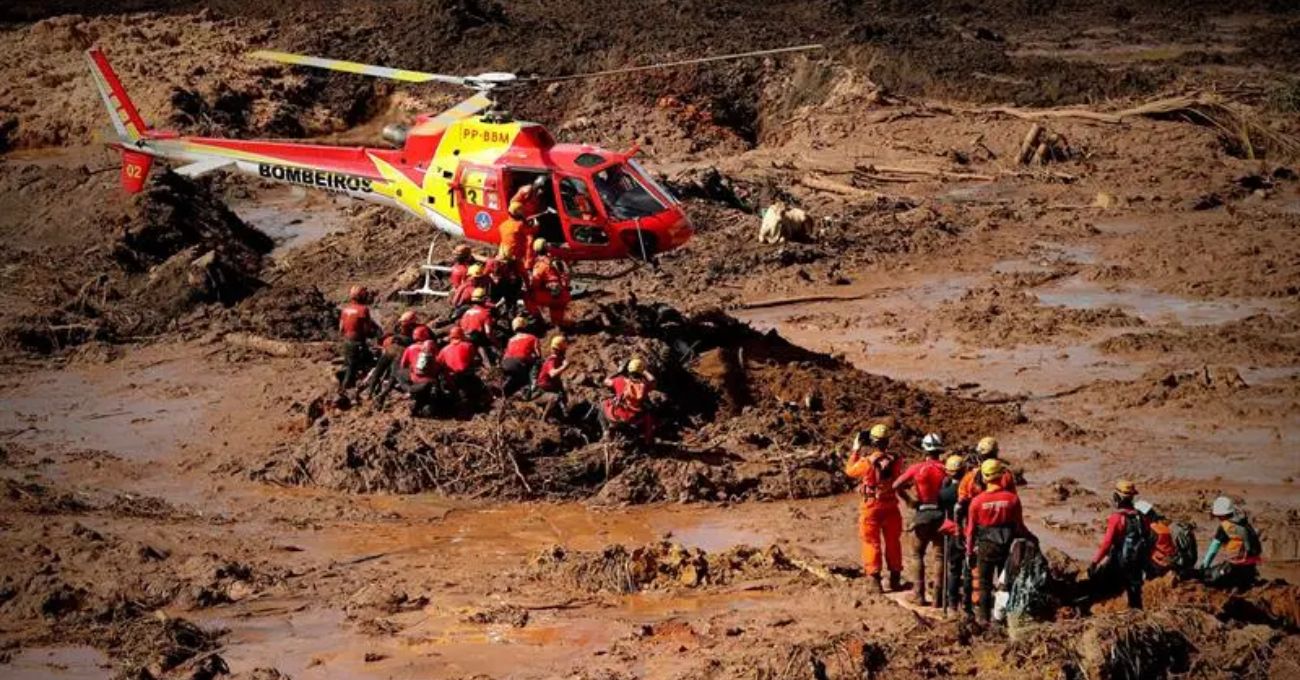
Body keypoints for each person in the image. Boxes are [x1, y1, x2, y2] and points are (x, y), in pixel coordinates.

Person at [966, 458, 1035, 623]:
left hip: (986, 546)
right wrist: (1032, 538)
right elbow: (1020, 527)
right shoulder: (1012, 499)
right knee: (1006, 583)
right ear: (1001, 475)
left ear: (984, 477)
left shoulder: (977, 502)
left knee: (984, 584)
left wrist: (969, 552)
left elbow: (970, 531)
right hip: (1007, 546)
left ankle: (983, 619)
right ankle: (1003, 620)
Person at [845, 423, 905, 594]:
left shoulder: (866, 462)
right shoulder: (897, 459)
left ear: (872, 442)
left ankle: (875, 581)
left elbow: (849, 471)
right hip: (891, 505)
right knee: (893, 542)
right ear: (888, 441)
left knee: (871, 542)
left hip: (871, 506)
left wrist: (856, 449)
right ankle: (895, 579)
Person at [893, 432, 948, 606]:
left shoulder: (917, 468)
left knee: (917, 555)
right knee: (939, 557)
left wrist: (909, 500)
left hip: (922, 513)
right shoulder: (946, 469)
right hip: (941, 514)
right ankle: (938, 598)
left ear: (924, 450)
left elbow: (896, 485)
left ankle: (919, 595)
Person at [1088, 480, 1151, 610]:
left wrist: (1094, 562)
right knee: (1135, 595)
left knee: (1100, 584)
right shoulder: (1141, 517)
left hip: (1120, 563)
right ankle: (1137, 614)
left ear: (1116, 497)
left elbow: (1106, 544)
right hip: (1137, 564)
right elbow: (1148, 537)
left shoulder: (1116, 518)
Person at [1199, 496, 1262, 590]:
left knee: (1208, 577)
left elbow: (1213, 549)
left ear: (1221, 515)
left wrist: (1204, 566)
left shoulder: (1226, 526)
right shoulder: (1244, 523)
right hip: (1251, 568)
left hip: (1235, 566)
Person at [366, 310, 419, 405]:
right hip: (401, 352)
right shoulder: (413, 329)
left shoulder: (398, 326)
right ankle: (383, 394)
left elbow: (390, 334)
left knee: (378, 370)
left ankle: (370, 392)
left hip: (390, 349)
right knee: (393, 376)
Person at [601, 356, 657, 444]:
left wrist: (618, 371)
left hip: (615, 416)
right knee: (649, 415)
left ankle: (606, 431)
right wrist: (644, 371)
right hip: (632, 420)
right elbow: (653, 381)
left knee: (603, 404)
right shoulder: (644, 386)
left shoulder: (619, 380)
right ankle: (647, 439)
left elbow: (606, 381)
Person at [939, 454, 967, 614]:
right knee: (970, 569)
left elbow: (941, 507)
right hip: (969, 532)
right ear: (963, 471)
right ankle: (970, 603)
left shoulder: (945, 493)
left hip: (953, 532)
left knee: (954, 569)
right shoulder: (971, 491)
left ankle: (952, 604)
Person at [337, 285, 377, 393]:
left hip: (347, 342)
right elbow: (367, 330)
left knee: (349, 363)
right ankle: (344, 390)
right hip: (357, 343)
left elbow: (341, 328)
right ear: (362, 296)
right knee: (354, 367)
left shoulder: (345, 309)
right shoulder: (363, 310)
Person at [527, 239, 572, 329]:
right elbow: (566, 275)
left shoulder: (540, 265)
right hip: (564, 295)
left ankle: (539, 320)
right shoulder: (555, 261)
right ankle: (558, 325)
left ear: (535, 251)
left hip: (552, 296)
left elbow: (535, 283)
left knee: (527, 296)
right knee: (557, 319)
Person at [437, 327, 482, 409]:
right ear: (462, 335)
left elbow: (438, 364)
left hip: (450, 379)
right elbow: (473, 361)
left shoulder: (444, 350)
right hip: (465, 376)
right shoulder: (468, 345)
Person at [1135, 500, 1178, 579]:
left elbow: (1146, 547)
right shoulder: (1163, 525)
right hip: (1171, 559)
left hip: (1158, 561)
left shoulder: (1153, 529)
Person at [501, 317, 541, 397]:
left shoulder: (510, 340)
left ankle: (506, 389)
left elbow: (506, 353)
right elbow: (538, 354)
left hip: (505, 363)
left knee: (515, 375)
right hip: (519, 362)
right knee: (536, 362)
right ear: (525, 326)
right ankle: (533, 385)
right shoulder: (532, 337)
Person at [457, 287, 497, 365]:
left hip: (464, 337)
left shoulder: (466, 313)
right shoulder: (485, 314)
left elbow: (461, 327)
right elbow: (488, 333)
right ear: (484, 300)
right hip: (477, 340)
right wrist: (495, 343)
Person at [535, 335, 570, 420]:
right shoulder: (552, 360)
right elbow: (552, 374)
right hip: (540, 393)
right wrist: (564, 366)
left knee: (561, 389)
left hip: (546, 392)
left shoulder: (557, 360)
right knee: (556, 397)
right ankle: (543, 420)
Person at [406, 338, 441, 417]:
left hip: (415, 381)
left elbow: (410, 367)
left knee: (419, 398)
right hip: (429, 382)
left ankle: (414, 408)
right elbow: (437, 370)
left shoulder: (418, 357)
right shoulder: (434, 359)